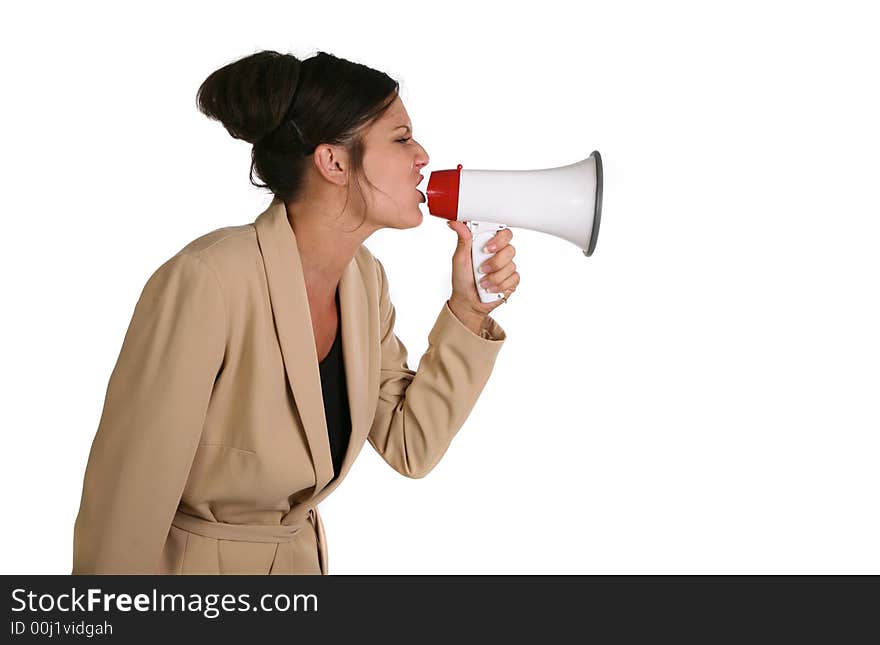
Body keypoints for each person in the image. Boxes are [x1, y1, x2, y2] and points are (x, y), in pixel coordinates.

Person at [72, 50, 519, 574]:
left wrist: (468, 308)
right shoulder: (209, 281)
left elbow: (410, 442)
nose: (422, 156)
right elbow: (127, 498)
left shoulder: (363, 281)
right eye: (401, 138)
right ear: (332, 162)